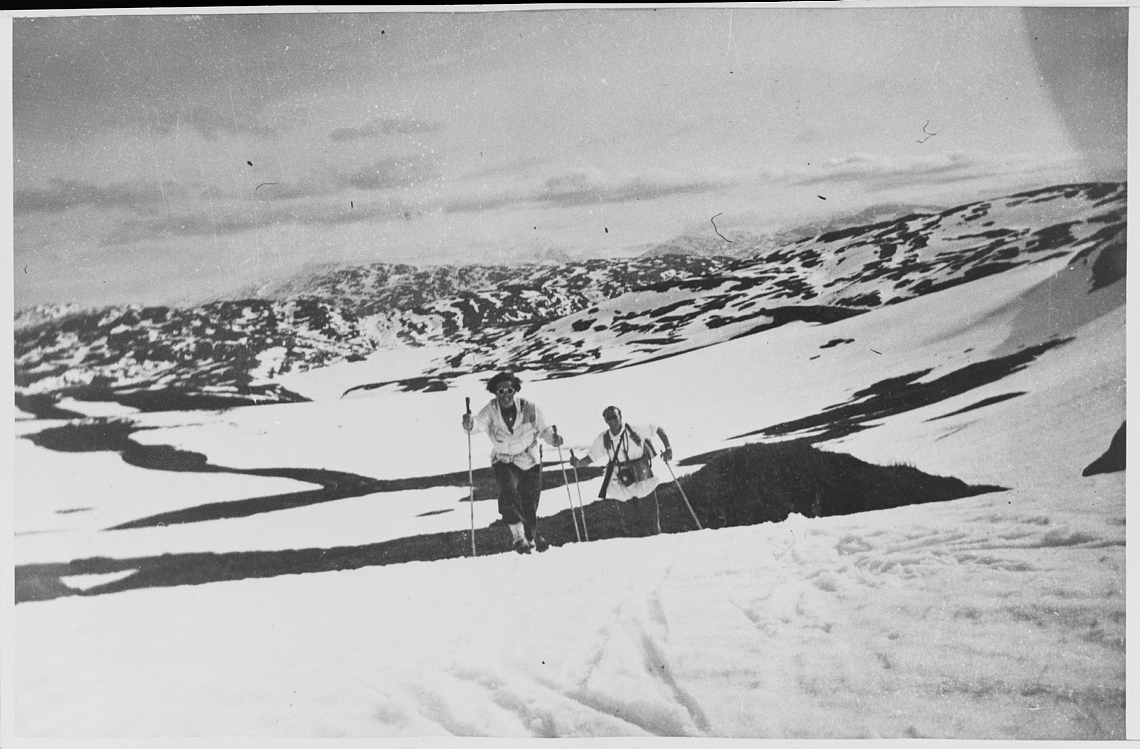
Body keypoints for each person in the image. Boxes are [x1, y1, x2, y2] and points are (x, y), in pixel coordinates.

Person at [463, 371, 564, 554]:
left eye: (509, 390)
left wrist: (553, 438)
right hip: (504, 459)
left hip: (529, 458)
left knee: (530, 501)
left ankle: (531, 536)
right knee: (508, 493)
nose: (505, 395)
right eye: (500, 392)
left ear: (515, 390)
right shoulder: (491, 410)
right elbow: (479, 423)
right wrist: (470, 423)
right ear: (495, 393)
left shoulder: (529, 408)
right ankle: (519, 538)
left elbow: (544, 429)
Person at [571, 406, 673, 537]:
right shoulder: (604, 438)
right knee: (630, 524)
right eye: (608, 418)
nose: (612, 420)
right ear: (605, 420)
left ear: (621, 416)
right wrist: (578, 463)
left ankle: (657, 549)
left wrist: (668, 448)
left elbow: (657, 428)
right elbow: (591, 457)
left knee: (651, 521)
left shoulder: (634, 429)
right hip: (621, 482)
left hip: (642, 477)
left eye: (614, 416)